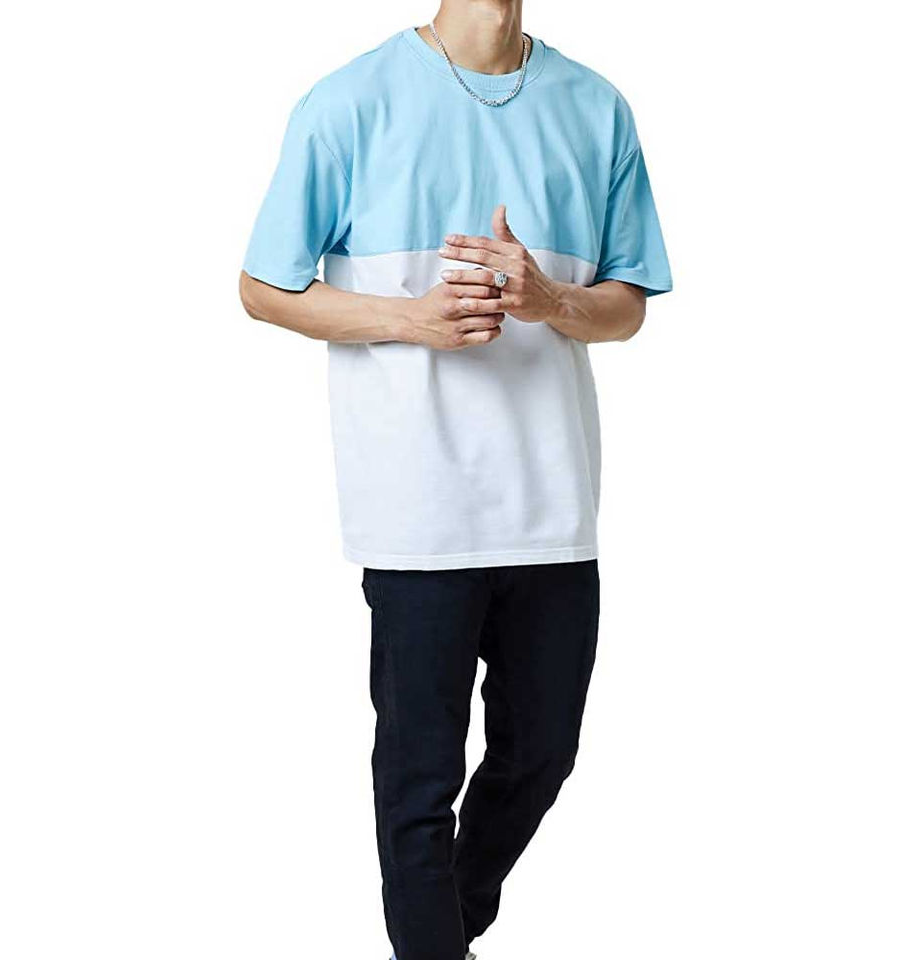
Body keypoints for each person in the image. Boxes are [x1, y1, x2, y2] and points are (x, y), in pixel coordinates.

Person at [239, 2, 671, 957]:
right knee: (419, 782)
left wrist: (552, 299)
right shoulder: (348, 102)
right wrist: (411, 321)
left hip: (554, 505)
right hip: (416, 509)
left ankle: (444, 933)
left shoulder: (598, 106)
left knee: (541, 757)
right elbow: (263, 287)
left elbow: (627, 306)